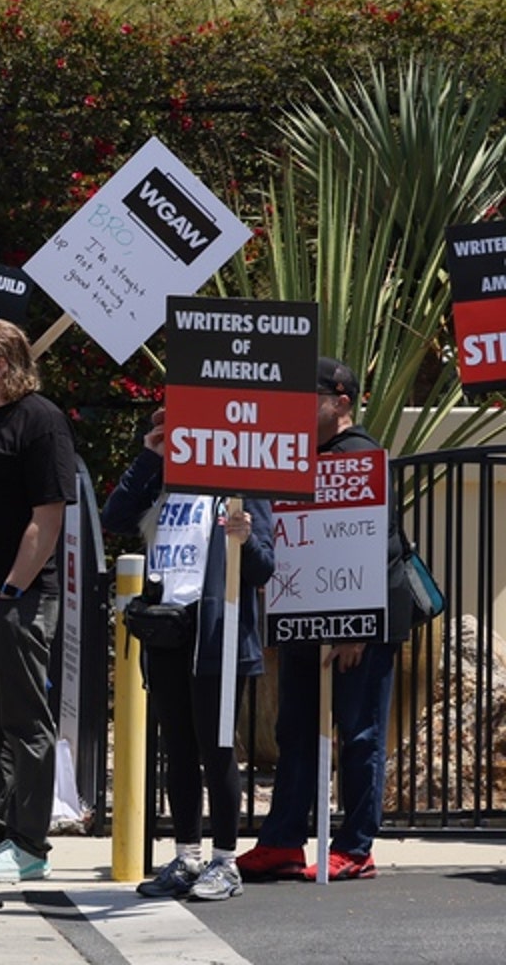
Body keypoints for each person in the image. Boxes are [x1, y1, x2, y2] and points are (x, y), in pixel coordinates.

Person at [237, 356, 412, 883]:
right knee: (296, 729)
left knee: (359, 735)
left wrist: (354, 625)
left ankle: (355, 848)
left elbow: (376, 545)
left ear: (341, 402)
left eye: (306, 399)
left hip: (358, 625)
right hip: (302, 619)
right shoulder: (298, 458)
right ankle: (284, 842)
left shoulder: (362, 455)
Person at [102, 407, 276, 902]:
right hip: (168, 631)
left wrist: (244, 537)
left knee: (216, 749)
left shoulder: (238, 487)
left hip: (216, 634)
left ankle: (225, 861)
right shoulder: (161, 483)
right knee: (176, 749)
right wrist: (148, 457)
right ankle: (185, 855)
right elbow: (114, 518)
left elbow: (263, 567)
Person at [0, 319, 77, 882]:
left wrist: (13, 587)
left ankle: (30, 843)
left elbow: (47, 515)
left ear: (0, 365)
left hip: (16, 598)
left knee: (25, 721)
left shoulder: (40, 420)